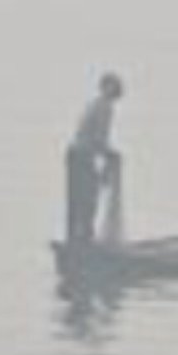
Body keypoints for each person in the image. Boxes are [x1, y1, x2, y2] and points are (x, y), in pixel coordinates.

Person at [65, 72, 124, 246]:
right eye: (112, 86)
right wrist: (111, 154)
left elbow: (96, 139)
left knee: (79, 198)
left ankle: (77, 238)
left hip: (76, 155)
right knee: (86, 198)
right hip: (82, 155)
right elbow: (99, 138)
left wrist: (106, 153)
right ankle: (82, 239)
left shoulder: (95, 103)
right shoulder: (104, 107)